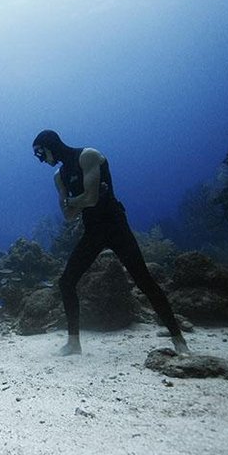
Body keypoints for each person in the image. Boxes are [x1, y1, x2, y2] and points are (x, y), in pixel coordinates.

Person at [32, 129, 190, 356]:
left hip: (116, 227)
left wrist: (74, 200)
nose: (41, 160)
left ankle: (178, 339)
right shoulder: (59, 176)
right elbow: (69, 215)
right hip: (93, 231)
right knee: (66, 282)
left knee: (144, 280)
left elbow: (90, 199)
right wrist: (82, 198)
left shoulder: (88, 155)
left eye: (40, 153)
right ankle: (73, 343)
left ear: (50, 146)